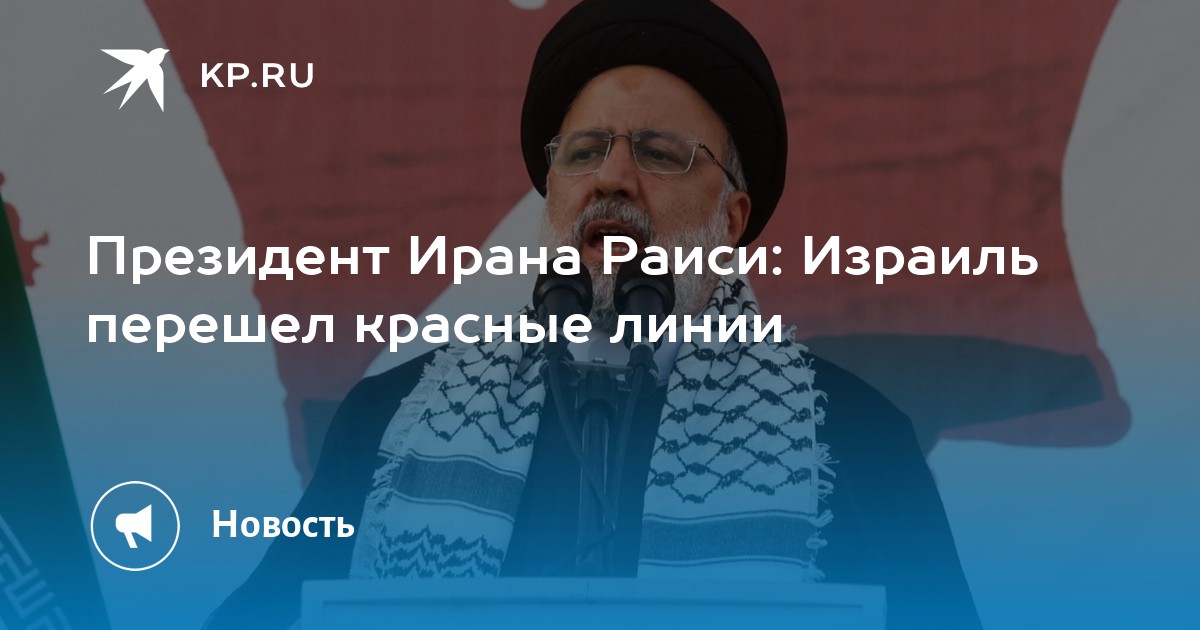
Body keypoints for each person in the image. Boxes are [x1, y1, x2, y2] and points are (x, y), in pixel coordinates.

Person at [206, 1, 980, 628]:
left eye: (659, 152)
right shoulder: (393, 423)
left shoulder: (853, 441)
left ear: (732, 219)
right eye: (583, 152)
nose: (611, 177)